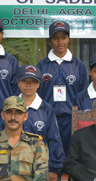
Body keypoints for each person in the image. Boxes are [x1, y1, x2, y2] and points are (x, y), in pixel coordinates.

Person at [37, 20, 87, 155]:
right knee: (48, 156)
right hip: (47, 118)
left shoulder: (78, 65)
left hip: (71, 119)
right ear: (50, 41)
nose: (60, 42)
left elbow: (83, 94)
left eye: (63, 38)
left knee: (71, 156)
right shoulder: (42, 65)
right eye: (55, 38)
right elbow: (38, 95)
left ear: (69, 39)